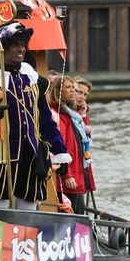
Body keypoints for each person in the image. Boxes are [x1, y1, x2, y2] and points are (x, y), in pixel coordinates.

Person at [0, 21, 70, 210]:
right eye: (15, 44)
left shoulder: (34, 81)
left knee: (29, 216)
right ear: (2, 48)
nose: (21, 49)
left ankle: (26, 240)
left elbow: (46, 121)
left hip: (31, 160)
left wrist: (60, 151)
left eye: (23, 44)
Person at [48, 75, 87, 214]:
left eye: (73, 88)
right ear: (58, 91)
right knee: (74, 211)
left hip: (76, 171)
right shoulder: (58, 115)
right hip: (68, 176)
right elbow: (61, 146)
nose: (73, 91)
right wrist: (68, 175)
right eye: (69, 88)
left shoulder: (69, 114)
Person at [74, 76, 96, 198]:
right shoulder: (67, 113)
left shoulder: (81, 113)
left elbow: (87, 140)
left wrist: (83, 115)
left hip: (81, 168)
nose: (82, 97)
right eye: (79, 92)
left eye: (85, 94)